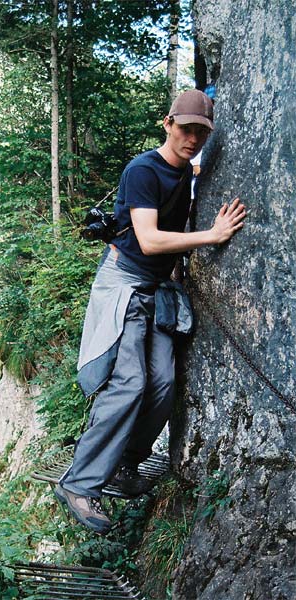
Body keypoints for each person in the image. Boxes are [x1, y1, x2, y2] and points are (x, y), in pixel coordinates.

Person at [54, 89, 247, 535]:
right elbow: (149, 240)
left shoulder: (188, 172)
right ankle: (79, 483)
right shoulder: (142, 170)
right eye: (186, 128)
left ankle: (122, 466)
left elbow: (173, 218)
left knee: (161, 384)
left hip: (156, 289)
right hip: (123, 286)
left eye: (201, 131)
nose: (193, 138)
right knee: (128, 384)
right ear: (168, 124)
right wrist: (212, 236)